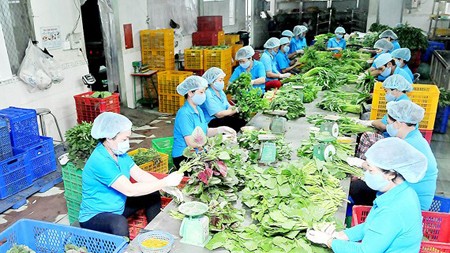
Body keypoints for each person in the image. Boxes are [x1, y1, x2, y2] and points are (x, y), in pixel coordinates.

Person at [307, 137, 427, 252]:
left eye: (371, 171)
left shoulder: (393, 211)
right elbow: (371, 226)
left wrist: (329, 241)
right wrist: (341, 235)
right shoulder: (403, 192)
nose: (366, 175)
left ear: (391, 174)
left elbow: (365, 251)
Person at [78, 112, 184, 237]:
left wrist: (165, 187)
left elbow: (140, 174)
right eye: (124, 139)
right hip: (96, 215)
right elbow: (129, 190)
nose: (127, 143)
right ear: (109, 138)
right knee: (119, 223)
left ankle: (155, 233)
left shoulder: (119, 153)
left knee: (152, 193)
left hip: (118, 206)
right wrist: (164, 182)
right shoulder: (100, 160)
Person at [350, 100, 438, 211]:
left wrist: (360, 164)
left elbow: (385, 171)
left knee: (357, 187)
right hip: (409, 194)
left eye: (388, 123)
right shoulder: (412, 136)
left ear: (398, 123)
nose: (387, 126)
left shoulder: (409, 145)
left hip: (414, 205)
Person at [172, 76, 236, 169]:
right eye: (201, 92)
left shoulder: (198, 109)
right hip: (184, 157)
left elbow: (205, 132)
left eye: (204, 92)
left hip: (198, 152)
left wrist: (221, 129)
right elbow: (191, 143)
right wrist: (218, 140)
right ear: (190, 93)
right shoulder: (184, 114)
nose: (204, 95)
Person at [200, 67, 247, 132]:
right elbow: (218, 114)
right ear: (211, 81)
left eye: (223, 80)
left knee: (241, 121)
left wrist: (235, 107)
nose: (222, 82)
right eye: (220, 80)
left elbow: (228, 106)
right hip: (212, 122)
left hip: (223, 118)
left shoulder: (220, 91)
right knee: (236, 125)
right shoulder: (207, 93)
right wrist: (236, 110)